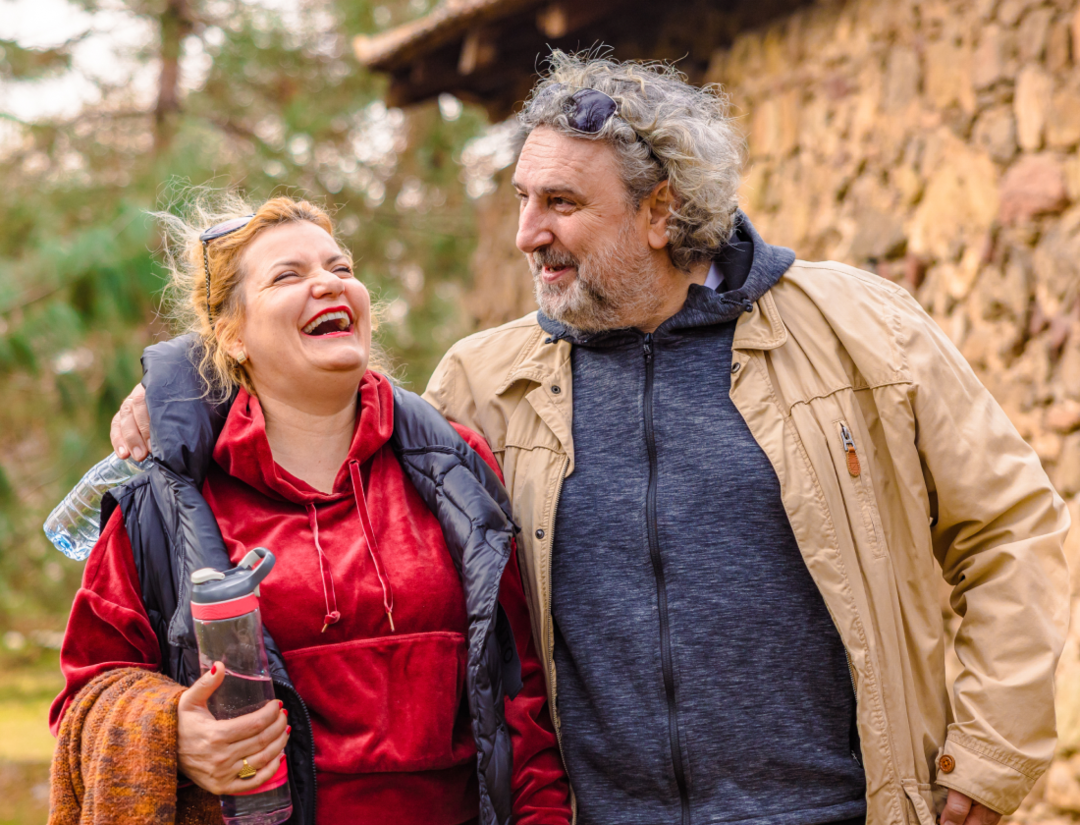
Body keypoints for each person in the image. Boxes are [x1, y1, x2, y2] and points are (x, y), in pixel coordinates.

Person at [106, 55, 1071, 825]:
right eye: (522, 199)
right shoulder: (482, 384)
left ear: (662, 210)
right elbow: (324, 409)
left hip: (835, 810)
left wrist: (990, 752)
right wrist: (178, 388)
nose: (528, 232)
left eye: (561, 203)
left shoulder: (859, 327)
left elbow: (1011, 528)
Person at [51, 195, 572, 825]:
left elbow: (520, 701)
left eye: (342, 269)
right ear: (232, 337)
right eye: (288, 276)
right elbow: (89, 690)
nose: (328, 283)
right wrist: (172, 735)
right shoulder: (161, 499)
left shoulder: (455, 467)